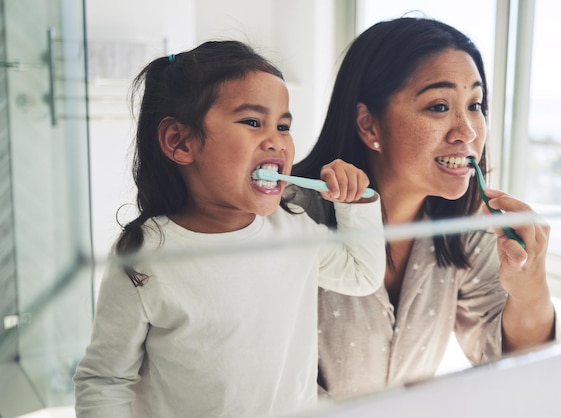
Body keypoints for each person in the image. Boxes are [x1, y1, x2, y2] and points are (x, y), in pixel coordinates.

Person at [73, 40, 386, 418]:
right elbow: (105, 382)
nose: (277, 141)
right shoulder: (145, 257)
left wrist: (357, 206)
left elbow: (362, 276)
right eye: (253, 122)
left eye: (284, 126)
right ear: (180, 141)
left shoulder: (292, 232)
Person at [291, 16, 557, 398]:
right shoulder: (288, 221)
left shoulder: (465, 233)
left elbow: (518, 368)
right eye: (438, 106)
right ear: (369, 125)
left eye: (475, 104)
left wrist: (530, 289)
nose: (467, 131)